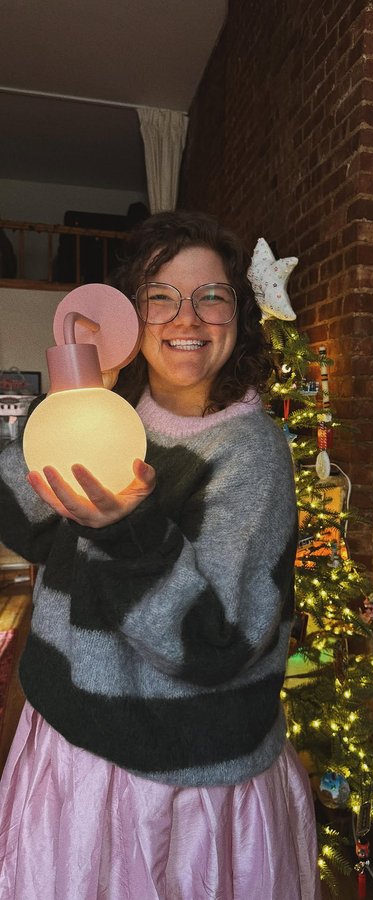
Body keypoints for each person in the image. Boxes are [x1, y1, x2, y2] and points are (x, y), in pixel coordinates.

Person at [0, 210, 321, 900]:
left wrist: (129, 530)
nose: (190, 317)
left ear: (239, 316)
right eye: (162, 296)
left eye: (212, 296)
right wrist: (72, 393)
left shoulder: (249, 452)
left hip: (175, 786)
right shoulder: (110, 414)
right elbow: (27, 523)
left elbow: (215, 645)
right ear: (131, 316)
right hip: (68, 745)